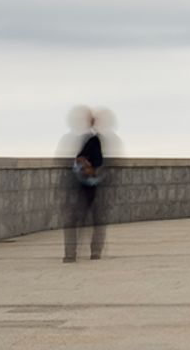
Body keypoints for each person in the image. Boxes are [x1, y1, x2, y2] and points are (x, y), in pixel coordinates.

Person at [59, 105, 118, 262]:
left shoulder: (95, 140)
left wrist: (88, 167)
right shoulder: (77, 138)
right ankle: (75, 253)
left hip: (92, 186)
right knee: (80, 221)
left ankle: (87, 253)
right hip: (80, 187)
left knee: (90, 221)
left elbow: (100, 164)